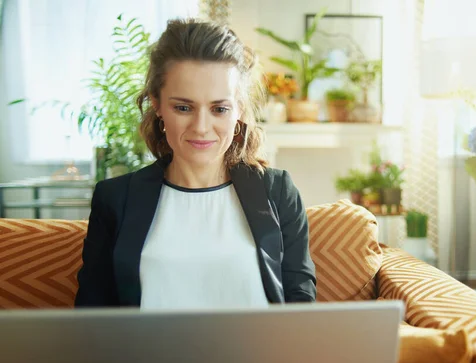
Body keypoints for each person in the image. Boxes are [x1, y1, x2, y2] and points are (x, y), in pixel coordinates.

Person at [74, 19, 317, 309]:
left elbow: (300, 309)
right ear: (157, 104)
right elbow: (92, 317)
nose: (201, 127)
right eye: (184, 107)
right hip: (147, 355)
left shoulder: (278, 192)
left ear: (238, 108)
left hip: (257, 355)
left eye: (219, 109)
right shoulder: (115, 199)